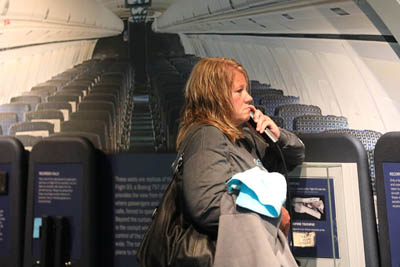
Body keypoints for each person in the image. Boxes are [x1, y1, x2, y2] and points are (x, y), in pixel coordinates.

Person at [176, 57, 305, 264]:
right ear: (214, 96)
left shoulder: (245, 135)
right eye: (239, 91)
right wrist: (272, 212)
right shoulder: (207, 136)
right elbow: (206, 205)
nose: (249, 98)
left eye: (247, 90)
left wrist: (276, 134)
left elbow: (296, 156)